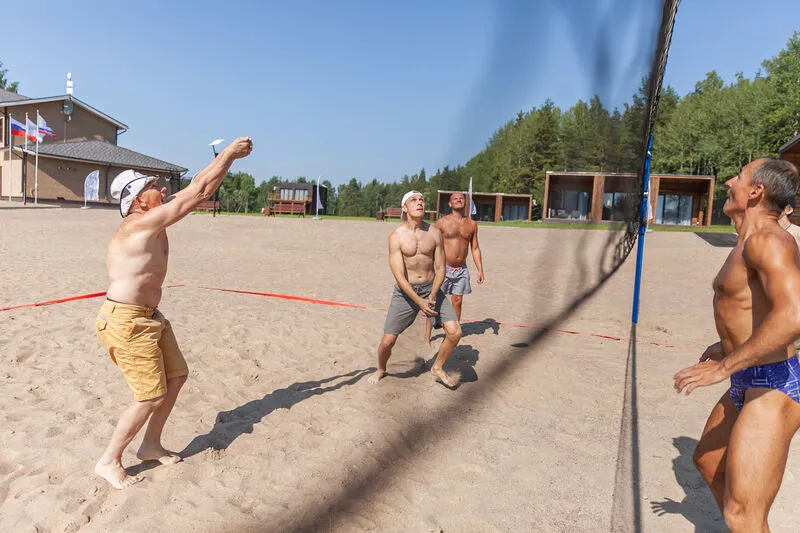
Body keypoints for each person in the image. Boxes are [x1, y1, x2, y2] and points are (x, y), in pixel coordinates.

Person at [93, 137, 253, 489]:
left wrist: (224, 160)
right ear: (138, 200)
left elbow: (198, 186)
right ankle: (109, 460)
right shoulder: (139, 225)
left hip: (149, 316)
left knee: (176, 377)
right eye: (153, 186)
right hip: (126, 321)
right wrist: (228, 154)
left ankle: (150, 445)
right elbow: (199, 193)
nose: (163, 189)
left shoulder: (153, 219)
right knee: (150, 395)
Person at [673, 158, 800, 532]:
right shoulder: (748, 241)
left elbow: (794, 315)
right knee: (709, 462)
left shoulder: (768, 241)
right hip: (748, 376)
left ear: (756, 192)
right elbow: (756, 308)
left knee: (744, 514)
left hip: (774, 385)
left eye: (740, 176)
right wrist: (726, 346)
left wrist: (723, 368)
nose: (729, 181)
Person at [369, 190, 462, 388]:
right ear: (404, 207)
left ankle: (437, 367)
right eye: (414, 200)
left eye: (422, 200)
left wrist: (433, 294)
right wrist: (419, 301)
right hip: (405, 293)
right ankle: (381, 369)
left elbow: (441, 268)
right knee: (387, 342)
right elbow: (399, 276)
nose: (419, 203)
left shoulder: (434, 233)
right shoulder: (396, 237)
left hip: (431, 289)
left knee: (455, 332)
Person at [423, 191, 485, 345]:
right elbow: (431, 244)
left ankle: (453, 333)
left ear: (465, 202)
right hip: (443, 268)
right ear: (450, 204)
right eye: (455, 198)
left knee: (457, 301)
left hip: (461, 269)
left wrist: (480, 269)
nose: (459, 200)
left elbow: (475, 248)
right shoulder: (442, 222)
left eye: (461, 198)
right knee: (434, 300)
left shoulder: (471, 224)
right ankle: (427, 335)